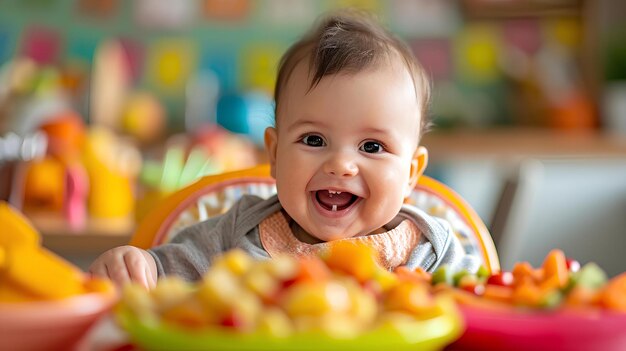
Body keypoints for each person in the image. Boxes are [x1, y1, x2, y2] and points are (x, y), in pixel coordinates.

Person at [89, 9, 481, 289]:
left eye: (372, 146)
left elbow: (483, 303)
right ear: (274, 154)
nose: (341, 164)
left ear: (411, 172)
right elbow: (164, 274)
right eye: (314, 140)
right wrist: (137, 264)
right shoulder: (235, 237)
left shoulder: (431, 253)